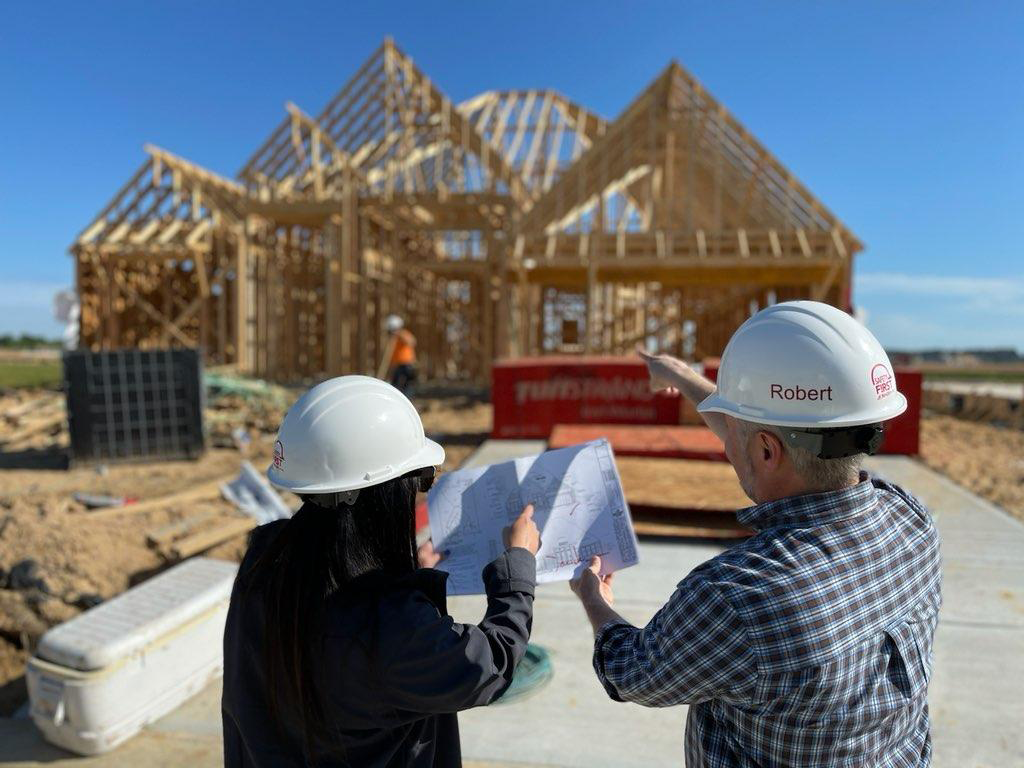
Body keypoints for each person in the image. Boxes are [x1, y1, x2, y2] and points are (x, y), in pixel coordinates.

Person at [570, 300, 941, 767]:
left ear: (767, 450)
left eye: (733, 433)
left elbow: (634, 673)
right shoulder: (911, 521)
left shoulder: (739, 595)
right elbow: (778, 431)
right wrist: (684, 377)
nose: (725, 443)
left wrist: (593, 599)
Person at [222, 375, 540, 767]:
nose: (419, 492)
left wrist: (408, 578)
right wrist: (518, 565)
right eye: (421, 480)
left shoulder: (265, 560)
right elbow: (489, 664)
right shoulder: (389, 623)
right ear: (386, 494)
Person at [384, 314, 418, 395]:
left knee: (407, 385)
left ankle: (407, 400)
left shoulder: (403, 334)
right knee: (395, 385)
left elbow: (412, 342)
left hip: (407, 364)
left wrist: (399, 334)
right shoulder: (392, 338)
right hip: (397, 365)